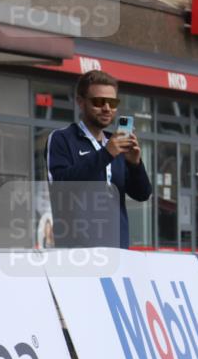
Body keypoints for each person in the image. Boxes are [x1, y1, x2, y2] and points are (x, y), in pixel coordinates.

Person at [47, 70, 152, 248]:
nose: (106, 108)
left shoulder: (116, 142)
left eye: (112, 102)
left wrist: (135, 164)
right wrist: (106, 154)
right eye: (98, 102)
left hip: (117, 251)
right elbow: (61, 185)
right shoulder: (62, 139)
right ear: (81, 102)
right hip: (77, 253)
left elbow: (142, 194)